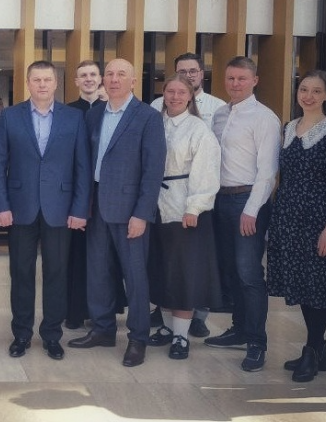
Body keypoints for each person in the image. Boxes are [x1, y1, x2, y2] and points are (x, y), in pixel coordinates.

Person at [68, 58, 166, 368]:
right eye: (109, 74)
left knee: (134, 277)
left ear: (133, 81)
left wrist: (142, 214)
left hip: (130, 211)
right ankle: (103, 329)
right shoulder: (94, 114)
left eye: (121, 74)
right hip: (96, 207)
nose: (113, 79)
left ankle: (138, 338)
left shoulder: (148, 117)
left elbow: (153, 171)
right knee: (97, 272)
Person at [0, 61, 90, 360]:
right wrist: (1, 205)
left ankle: (51, 335)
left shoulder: (74, 118)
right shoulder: (9, 117)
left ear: (56, 83)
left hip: (60, 209)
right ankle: (21, 334)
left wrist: (80, 209)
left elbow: (83, 167)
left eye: (47, 80)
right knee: (21, 272)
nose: (43, 85)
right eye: (37, 80)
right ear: (28, 83)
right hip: (20, 208)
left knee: (56, 273)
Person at [204, 56, 280, 372]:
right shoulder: (220, 114)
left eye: (241, 78)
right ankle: (239, 328)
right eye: (231, 78)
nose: (235, 84)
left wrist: (252, 210)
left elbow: (268, 171)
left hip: (248, 201)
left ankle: (256, 343)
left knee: (249, 274)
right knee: (231, 271)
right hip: (220, 200)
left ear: (254, 81)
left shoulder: (265, 118)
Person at [150, 53, 227, 337]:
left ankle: (181, 336)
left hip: (184, 207)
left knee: (183, 274)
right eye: (170, 91)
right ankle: (167, 329)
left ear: (190, 96)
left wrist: (194, 207)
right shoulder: (154, 123)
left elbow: (206, 171)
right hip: (155, 206)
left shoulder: (198, 129)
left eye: (181, 92)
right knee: (162, 270)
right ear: (163, 94)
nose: (175, 97)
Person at [267, 70, 326, 382]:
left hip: (318, 219)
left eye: (316, 91)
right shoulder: (289, 128)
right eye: (304, 89)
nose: (308, 96)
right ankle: (318, 349)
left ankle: (312, 349)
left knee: (317, 286)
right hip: (289, 217)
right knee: (301, 285)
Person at [65, 60, 107, 330]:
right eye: (83, 75)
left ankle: (102, 312)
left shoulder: (110, 110)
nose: (89, 79)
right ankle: (75, 310)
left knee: (102, 255)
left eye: (93, 74)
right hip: (74, 193)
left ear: (100, 79)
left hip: (104, 193)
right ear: (76, 81)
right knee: (76, 254)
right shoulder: (68, 112)